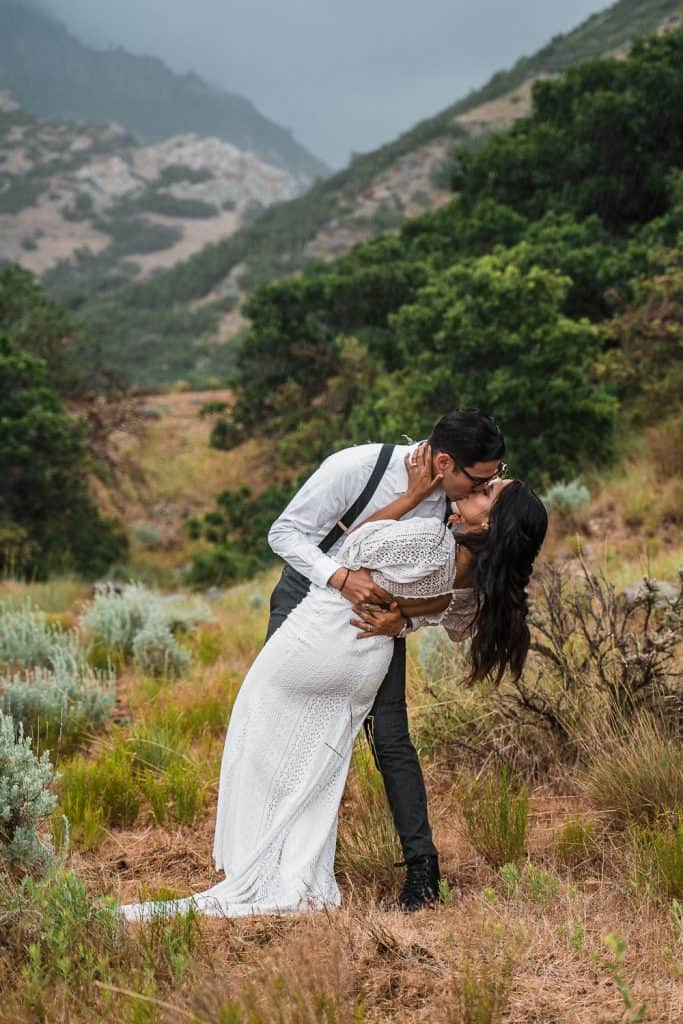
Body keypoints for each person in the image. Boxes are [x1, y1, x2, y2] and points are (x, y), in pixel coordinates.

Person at [120, 441, 547, 923]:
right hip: (350, 627)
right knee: (322, 757)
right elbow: (450, 609)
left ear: (488, 520)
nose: (476, 488)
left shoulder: (435, 526)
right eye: (482, 479)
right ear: (447, 461)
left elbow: (359, 549)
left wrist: (404, 520)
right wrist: (402, 618)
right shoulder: (366, 472)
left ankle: (279, 868)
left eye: (488, 487)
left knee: (284, 739)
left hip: (336, 631)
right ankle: (303, 870)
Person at [265, 408, 505, 910]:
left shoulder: (461, 511)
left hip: (377, 618)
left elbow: (449, 595)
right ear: (445, 462)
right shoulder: (355, 468)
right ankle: (276, 859)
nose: (486, 487)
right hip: (307, 602)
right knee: (284, 730)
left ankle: (423, 871)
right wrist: (339, 577)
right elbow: (285, 534)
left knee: (391, 736)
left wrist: (404, 622)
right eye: (480, 479)